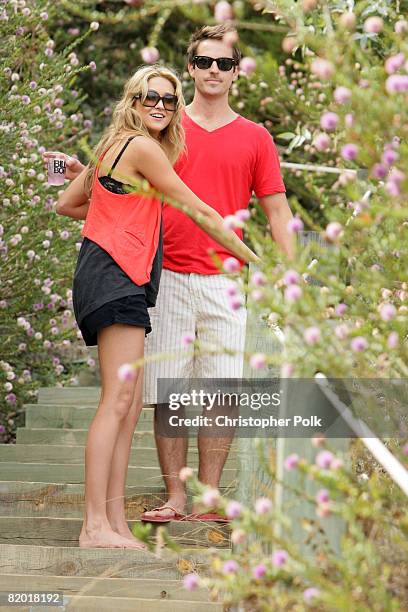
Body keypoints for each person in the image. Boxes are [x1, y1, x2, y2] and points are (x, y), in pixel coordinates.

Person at [45, 23, 294, 525]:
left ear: (236, 70)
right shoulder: (154, 139)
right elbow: (167, 202)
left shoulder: (244, 138)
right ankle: (156, 504)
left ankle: (190, 501)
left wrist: (284, 274)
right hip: (155, 275)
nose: (214, 71)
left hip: (209, 280)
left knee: (201, 393)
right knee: (156, 394)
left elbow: (277, 212)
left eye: (224, 63)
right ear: (191, 68)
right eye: (205, 62)